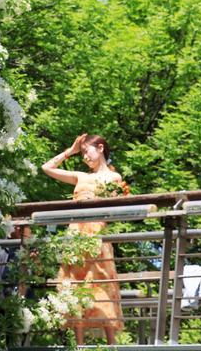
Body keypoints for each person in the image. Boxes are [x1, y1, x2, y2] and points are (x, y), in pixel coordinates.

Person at [41, 133, 125, 345]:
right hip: (75, 236)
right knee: (75, 286)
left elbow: (115, 208)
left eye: (87, 151)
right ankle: (79, 347)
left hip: (96, 235)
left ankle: (111, 346)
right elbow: (47, 168)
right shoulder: (81, 176)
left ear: (100, 148)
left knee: (101, 283)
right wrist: (71, 151)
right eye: (83, 154)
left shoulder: (114, 179)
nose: (85, 157)